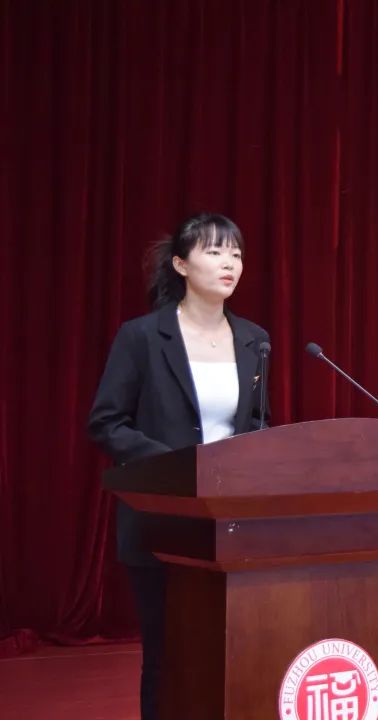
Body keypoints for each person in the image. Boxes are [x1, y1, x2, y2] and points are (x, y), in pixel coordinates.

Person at [87, 212, 270, 720]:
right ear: (181, 265)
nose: (229, 263)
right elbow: (107, 423)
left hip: (232, 522)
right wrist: (179, 466)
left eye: (236, 253)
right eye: (214, 251)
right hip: (163, 520)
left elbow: (258, 423)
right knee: (168, 657)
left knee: (233, 652)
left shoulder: (253, 339)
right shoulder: (143, 337)